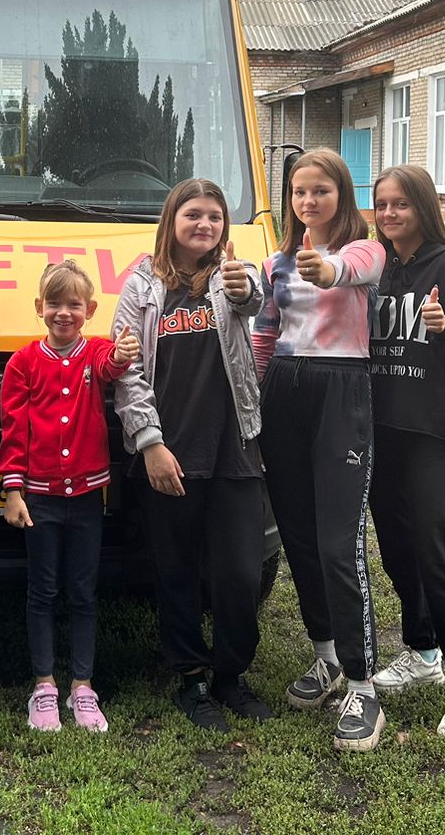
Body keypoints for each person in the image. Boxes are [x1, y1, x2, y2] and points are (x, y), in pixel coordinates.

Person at [112, 179, 270, 732]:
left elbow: (253, 298)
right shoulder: (140, 285)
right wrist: (150, 444)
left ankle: (231, 674)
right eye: (193, 214)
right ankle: (192, 680)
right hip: (169, 452)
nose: (205, 224)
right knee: (176, 572)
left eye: (215, 217)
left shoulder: (233, 275)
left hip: (234, 447)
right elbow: (127, 371)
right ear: (172, 220)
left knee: (240, 574)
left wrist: (241, 285)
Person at [252, 148, 388, 753]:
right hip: (283, 390)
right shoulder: (275, 262)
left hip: (341, 390)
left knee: (339, 543)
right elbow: (264, 332)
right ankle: (327, 656)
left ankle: (363, 685)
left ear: (342, 195)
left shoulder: (366, 251)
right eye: (299, 192)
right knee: (300, 538)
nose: (308, 201)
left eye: (321, 191)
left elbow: (346, 271)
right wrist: (257, 404)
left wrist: (325, 269)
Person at [367, 164, 445, 738]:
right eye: (382, 204)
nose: (390, 214)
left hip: (431, 431)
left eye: (401, 204)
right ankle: (422, 653)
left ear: (422, 207)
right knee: (396, 547)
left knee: (434, 550)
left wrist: (444, 330)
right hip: (381, 428)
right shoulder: (377, 266)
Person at [0, 260, 141, 734]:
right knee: (42, 591)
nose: (64, 313)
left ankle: (83, 685)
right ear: (39, 307)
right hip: (39, 497)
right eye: (54, 304)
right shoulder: (22, 363)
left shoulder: (94, 351)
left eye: (74, 305)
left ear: (90, 310)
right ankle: (44, 684)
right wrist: (13, 488)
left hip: (85, 497)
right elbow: (14, 429)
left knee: (82, 591)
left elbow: (111, 364)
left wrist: (123, 351)